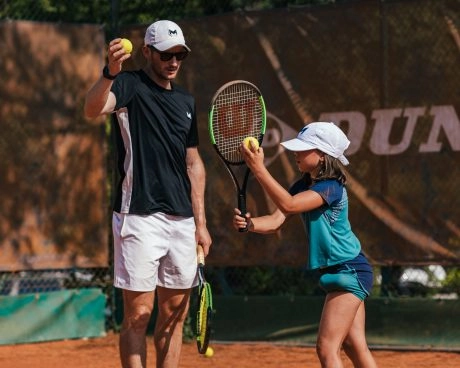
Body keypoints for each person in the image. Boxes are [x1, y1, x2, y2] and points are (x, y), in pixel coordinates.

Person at [84, 20, 212, 368]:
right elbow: (92, 108)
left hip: (182, 221)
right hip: (138, 217)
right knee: (139, 315)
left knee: (174, 317)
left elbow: (193, 163)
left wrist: (201, 223)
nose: (174, 61)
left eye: (179, 55)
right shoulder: (129, 85)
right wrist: (109, 72)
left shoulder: (186, 100)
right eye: (167, 54)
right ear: (147, 52)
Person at [234, 122, 378, 368]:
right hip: (340, 271)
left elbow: (289, 205)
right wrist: (251, 225)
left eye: (303, 148)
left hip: (349, 271)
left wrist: (258, 168)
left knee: (326, 348)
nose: (296, 153)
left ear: (322, 156)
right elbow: (277, 220)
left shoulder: (331, 187)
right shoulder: (302, 185)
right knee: (354, 346)